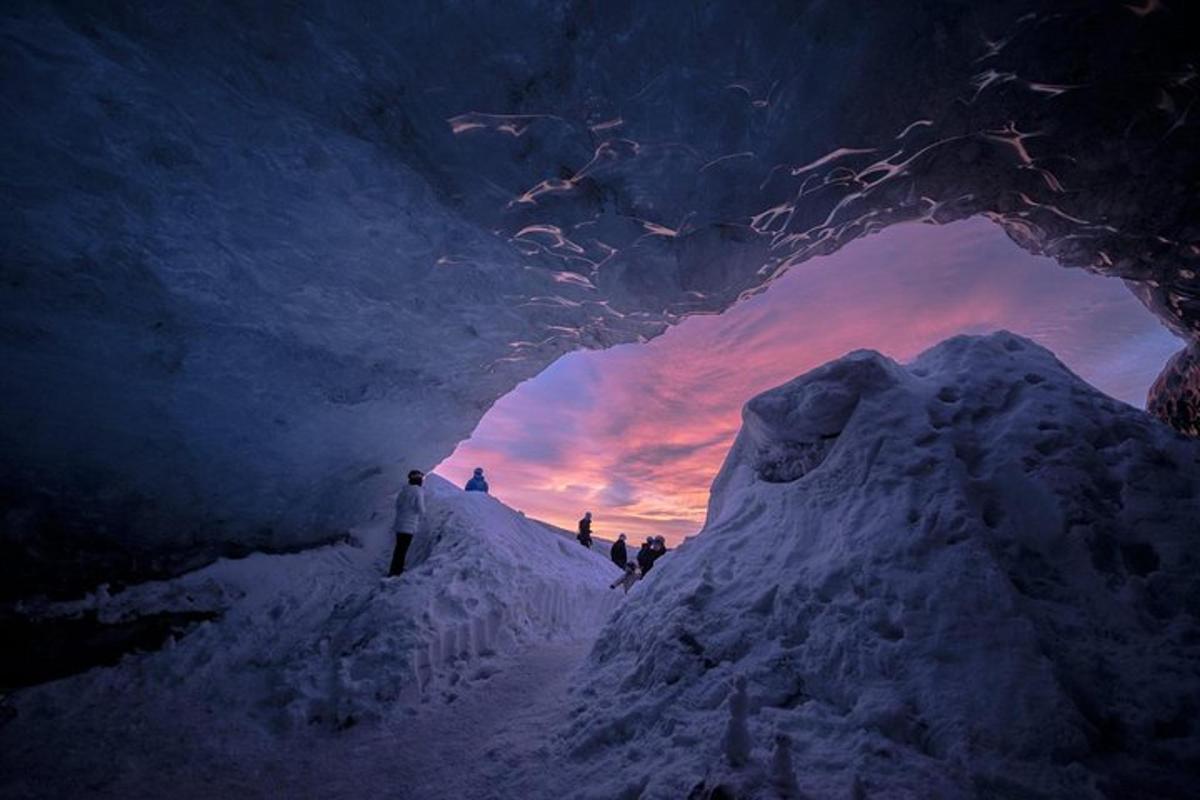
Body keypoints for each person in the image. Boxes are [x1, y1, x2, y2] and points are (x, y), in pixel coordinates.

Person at [389, 469, 426, 576]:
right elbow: (420, 509)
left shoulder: (403, 491)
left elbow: (398, 506)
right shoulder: (418, 491)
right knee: (403, 549)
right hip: (409, 525)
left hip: (400, 523)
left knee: (398, 548)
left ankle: (395, 569)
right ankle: (396, 572)